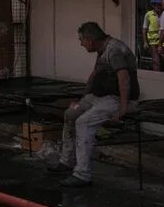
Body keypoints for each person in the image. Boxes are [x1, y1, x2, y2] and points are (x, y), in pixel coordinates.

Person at [48, 22, 139, 187]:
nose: (80, 43)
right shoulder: (102, 49)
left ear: (90, 40)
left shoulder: (114, 50)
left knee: (83, 123)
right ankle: (67, 161)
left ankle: (82, 174)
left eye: (81, 40)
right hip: (98, 97)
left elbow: (123, 78)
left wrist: (123, 108)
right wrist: (82, 99)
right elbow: (95, 74)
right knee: (71, 113)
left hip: (115, 99)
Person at [142, 0, 162, 71]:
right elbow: (144, 28)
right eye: (155, 4)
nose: (157, 6)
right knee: (156, 59)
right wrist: (145, 42)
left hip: (162, 40)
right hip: (153, 41)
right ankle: (156, 73)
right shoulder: (148, 14)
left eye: (159, 4)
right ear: (153, 5)